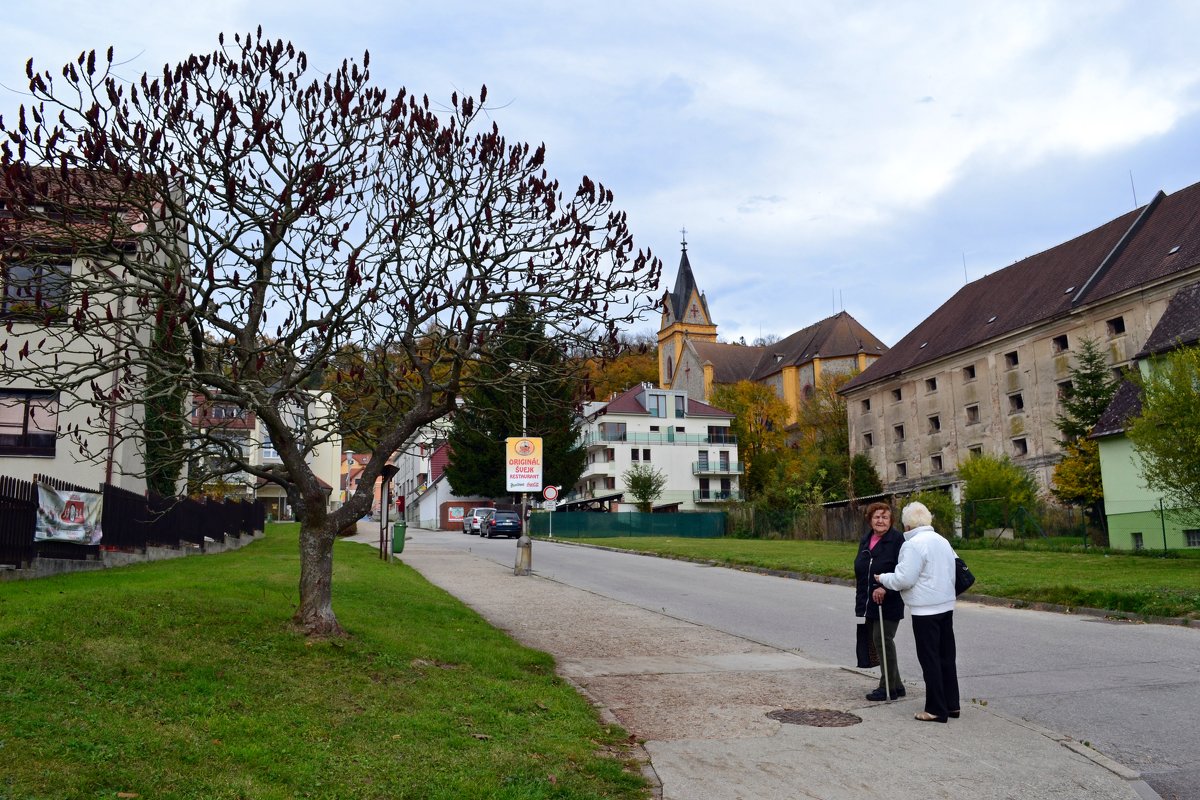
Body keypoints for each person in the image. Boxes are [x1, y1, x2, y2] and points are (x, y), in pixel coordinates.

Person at [875, 501, 960, 723]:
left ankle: (935, 709)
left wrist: (883, 578)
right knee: (946, 657)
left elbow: (905, 578)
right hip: (946, 605)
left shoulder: (913, 544)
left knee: (929, 658)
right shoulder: (942, 540)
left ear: (908, 525)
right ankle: (952, 704)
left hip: (925, 609)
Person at [854, 502, 905, 700]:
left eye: (885, 517)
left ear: (891, 520)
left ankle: (887, 687)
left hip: (889, 599)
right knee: (879, 640)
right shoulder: (866, 539)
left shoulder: (898, 540)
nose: (880, 521)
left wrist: (886, 586)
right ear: (870, 520)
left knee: (883, 639)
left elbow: (903, 571)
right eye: (876, 517)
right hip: (869, 600)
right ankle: (898, 685)